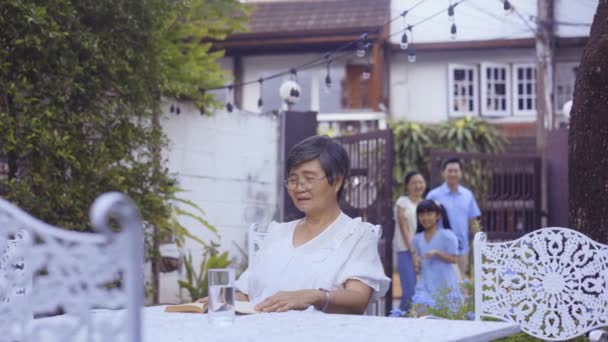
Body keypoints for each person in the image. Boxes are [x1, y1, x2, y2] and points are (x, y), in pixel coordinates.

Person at [200, 135, 390, 314]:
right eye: (293, 180)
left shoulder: (357, 235)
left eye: (308, 178)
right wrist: (221, 299)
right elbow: (247, 292)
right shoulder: (276, 233)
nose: (299, 187)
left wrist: (315, 296)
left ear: (337, 181)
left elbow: (359, 299)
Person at [426, 158, 480, 277]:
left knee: (459, 284)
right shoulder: (434, 195)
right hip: (439, 248)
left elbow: (473, 221)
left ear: (461, 173)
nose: (453, 174)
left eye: (456, 171)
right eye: (450, 171)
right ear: (443, 173)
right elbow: (426, 222)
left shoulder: (467, 195)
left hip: (461, 248)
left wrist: (479, 240)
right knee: (440, 286)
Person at [411, 200, 462, 312]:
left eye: (429, 214)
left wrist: (437, 252)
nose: (425, 218)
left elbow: (454, 259)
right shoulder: (417, 239)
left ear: (438, 216)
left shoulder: (447, 236)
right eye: (422, 214)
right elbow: (418, 262)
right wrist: (417, 264)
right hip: (425, 284)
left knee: (446, 320)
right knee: (422, 315)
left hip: (445, 284)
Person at [393, 171, 426, 311]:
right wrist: (413, 252)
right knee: (409, 292)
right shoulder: (402, 202)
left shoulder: (426, 204)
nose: (418, 185)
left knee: (424, 293)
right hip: (406, 251)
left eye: (420, 182)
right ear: (407, 185)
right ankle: (398, 321)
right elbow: (403, 227)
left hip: (425, 252)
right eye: (413, 182)